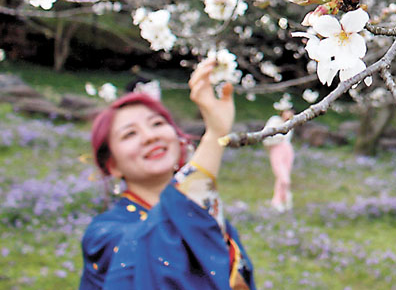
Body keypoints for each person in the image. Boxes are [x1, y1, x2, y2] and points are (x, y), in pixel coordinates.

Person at [79, 57, 255, 290]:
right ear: (112, 165)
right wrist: (215, 136)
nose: (150, 137)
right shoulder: (104, 235)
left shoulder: (204, 214)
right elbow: (156, 243)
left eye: (157, 124)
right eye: (130, 134)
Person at [262, 94, 295, 212]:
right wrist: (278, 138)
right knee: (283, 178)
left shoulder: (290, 123)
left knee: (283, 178)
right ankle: (283, 198)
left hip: (287, 150)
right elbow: (267, 136)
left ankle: (279, 200)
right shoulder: (275, 121)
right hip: (276, 150)